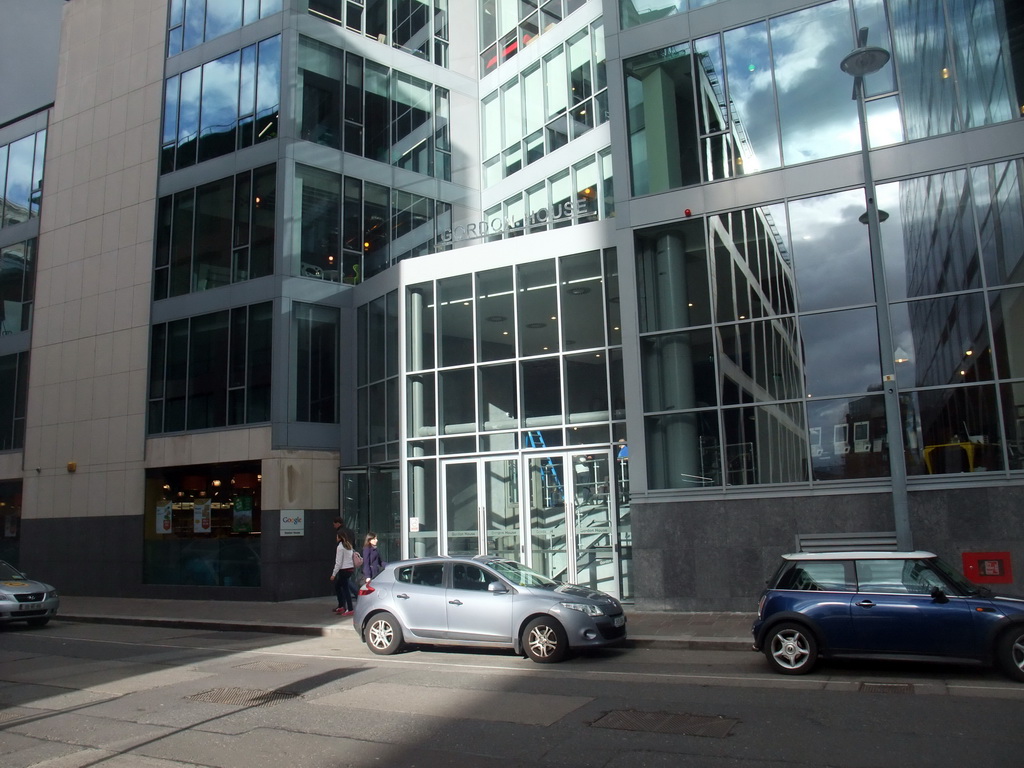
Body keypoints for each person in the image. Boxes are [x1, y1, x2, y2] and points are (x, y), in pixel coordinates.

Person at [333, 516, 359, 600]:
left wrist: (333, 574)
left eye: (334, 524)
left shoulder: (340, 533)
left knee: (344, 581)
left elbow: (338, 561)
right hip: (351, 555)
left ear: (338, 523)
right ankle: (354, 594)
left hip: (344, 559)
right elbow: (354, 542)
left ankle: (354, 595)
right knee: (347, 579)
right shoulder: (350, 531)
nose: (334, 526)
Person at [330, 532, 355, 616]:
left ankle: (349, 608)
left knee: (345, 589)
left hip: (343, 570)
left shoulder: (340, 547)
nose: (336, 538)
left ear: (339, 538)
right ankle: (341, 605)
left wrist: (333, 574)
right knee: (339, 586)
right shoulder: (348, 546)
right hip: (350, 569)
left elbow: (338, 562)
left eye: (337, 536)